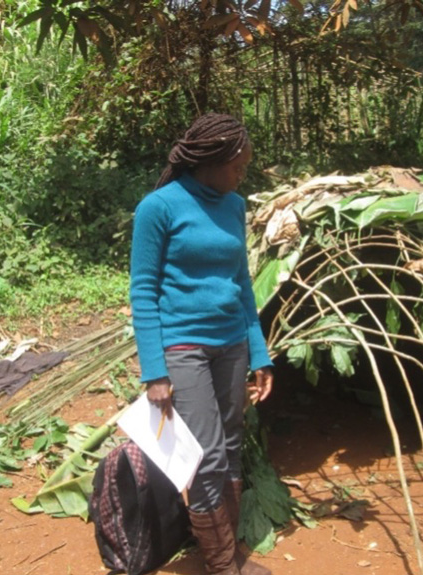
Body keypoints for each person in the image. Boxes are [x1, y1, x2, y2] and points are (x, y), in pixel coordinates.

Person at [129, 113, 274, 575]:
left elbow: (242, 284)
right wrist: (155, 371)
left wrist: (260, 352)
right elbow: (143, 289)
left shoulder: (234, 206)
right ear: (212, 160)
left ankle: (226, 552)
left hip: (231, 343)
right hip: (183, 347)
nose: (242, 174)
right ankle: (222, 566)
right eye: (239, 166)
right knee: (207, 452)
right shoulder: (159, 207)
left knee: (231, 443)